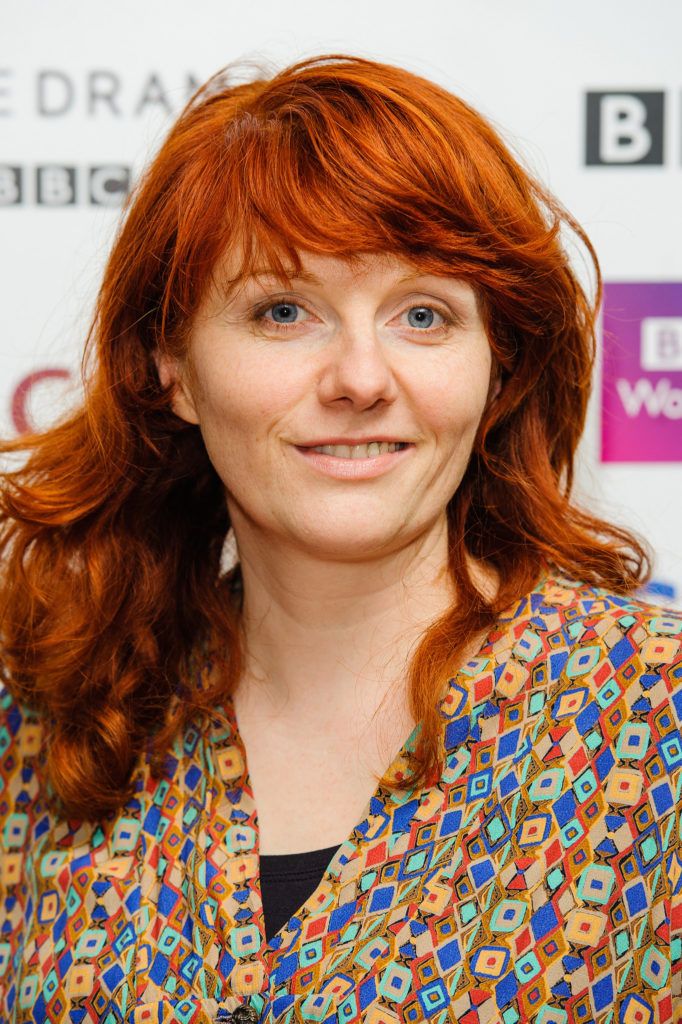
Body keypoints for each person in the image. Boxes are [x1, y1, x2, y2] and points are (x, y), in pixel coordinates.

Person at [0, 51, 679, 1024]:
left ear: (499, 366)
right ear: (172, 369)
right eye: (284, 310)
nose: (361, 376)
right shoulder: (56, 713)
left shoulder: (655, 715)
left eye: (422, 314)